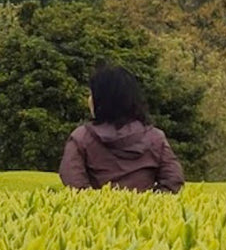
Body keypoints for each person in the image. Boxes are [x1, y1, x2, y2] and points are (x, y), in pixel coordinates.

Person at [59, 65, 185, 193]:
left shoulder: (81, 137)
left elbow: (73, 182)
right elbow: (173, 180)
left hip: (96, 210)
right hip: (144, 211)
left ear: (101, 100)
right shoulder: (155, 138)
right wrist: (148, 204)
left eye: (91, 94)